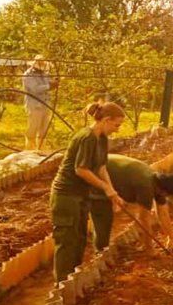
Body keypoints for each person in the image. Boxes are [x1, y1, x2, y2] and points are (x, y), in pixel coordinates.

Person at [50, 101, 125, 282]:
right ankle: (61, 285)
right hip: (66, 195)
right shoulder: (87, 138)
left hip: (81, 195)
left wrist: (112, 192)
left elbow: (101, 168)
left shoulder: (102, 139)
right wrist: (105, 188)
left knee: (80, 238)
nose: (117, 129)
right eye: (116, 125)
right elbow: (81, 169)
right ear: (106, 120)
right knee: (67, 241)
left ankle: (72, 280)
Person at [88, 156, 173, 252]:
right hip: (93, 173)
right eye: (169, 195)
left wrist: (170, 238)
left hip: (105, 167)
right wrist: (149, 248)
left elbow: (163, 213)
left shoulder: (157, 183)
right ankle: (100, 252)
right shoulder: (145, 186)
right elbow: (144, 219)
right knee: (103, 220)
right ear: (165, 192)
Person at [21, 56, 58, 151]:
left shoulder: (45, 74)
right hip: (35, 105)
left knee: (44, 128)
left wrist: (55, 83)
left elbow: (49, 84)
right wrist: (49, 86)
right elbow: (35, 89)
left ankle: (41, 148)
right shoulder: (28, 75)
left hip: (45, 104)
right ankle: (29, 148)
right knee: (33, 127)